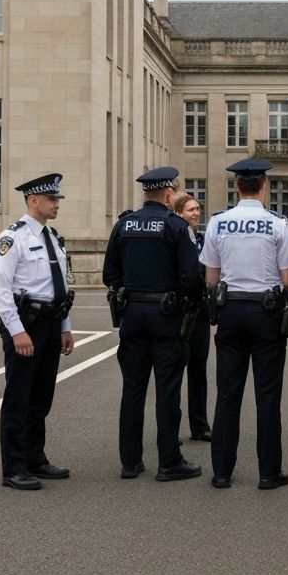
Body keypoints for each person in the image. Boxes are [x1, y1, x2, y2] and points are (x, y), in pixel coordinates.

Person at [199, 158, 288, 490]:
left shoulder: (218, 223)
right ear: (264, 186)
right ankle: (268, 472)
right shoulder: (277, 224)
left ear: (236, 187)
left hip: (229, 312)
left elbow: (211, 278)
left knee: (228, 394)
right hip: (266, 313)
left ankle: (221, 472)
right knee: (267, 395)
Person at [102, 166, 203, 482]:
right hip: (166, 317)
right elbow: (190, 277)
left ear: (146, 193)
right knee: (167, 390)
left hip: (132, 316)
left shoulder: (123, 224)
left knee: (132, 388)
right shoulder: (175, 226)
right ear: (169, 193)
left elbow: (110, 274)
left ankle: (130, 462)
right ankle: (169, 462)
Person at [0, 173, 75, 491]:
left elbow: (60, 287)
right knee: (19, 397)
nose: (56, 204)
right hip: (25, 325)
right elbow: (1, 290)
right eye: (52, 200)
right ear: (33, 201)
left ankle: (34, 459)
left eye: (57, 200)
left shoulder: (53, 237)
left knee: (41, 397)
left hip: (52, 324)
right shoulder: (12, 238)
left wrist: (65, 327)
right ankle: (13, 468)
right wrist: (17, 331)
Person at [173, 192, 212, 442]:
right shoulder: (173, 238)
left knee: (198, 371)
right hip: (177, 312)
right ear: (178, 213)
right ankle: (171, 427)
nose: (196, 213)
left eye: (198, 209)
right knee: (174, 372)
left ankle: (200, 425)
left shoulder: (203, 239)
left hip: (200, 312)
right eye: (190, 210)